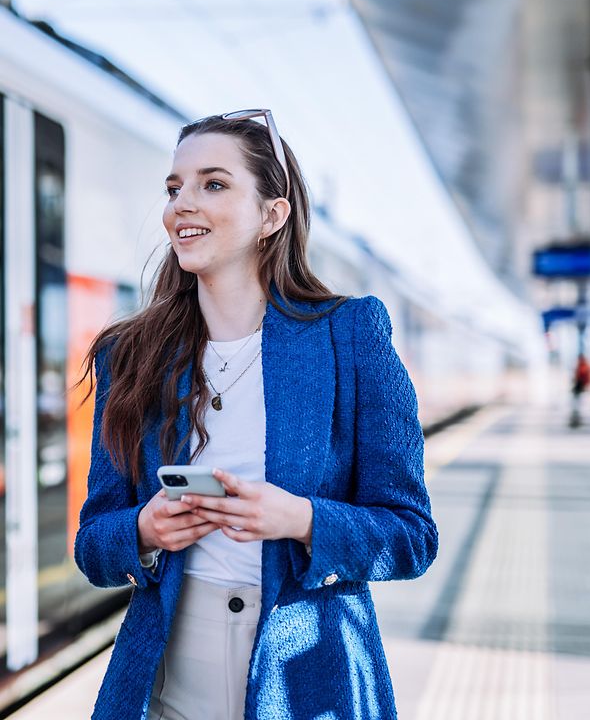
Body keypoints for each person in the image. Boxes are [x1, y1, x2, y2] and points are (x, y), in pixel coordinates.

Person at [74, 108, 438, 720]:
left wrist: (301, 519)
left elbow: (411, 537)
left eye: (213, 184)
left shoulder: (350, 335)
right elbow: (93, 544)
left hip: (308, 675)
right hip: (165, 674)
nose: (182, 204)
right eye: (174, 188)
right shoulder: (129, 355)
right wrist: (144, 531)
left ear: (272, 214)